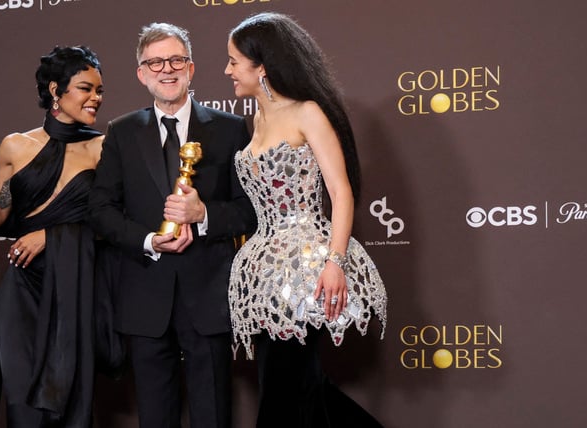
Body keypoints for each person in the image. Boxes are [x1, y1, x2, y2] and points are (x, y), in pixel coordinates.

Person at [225, 12, 389, 427]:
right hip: (264, 274)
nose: (227, 70)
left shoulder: (307, 112)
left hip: (306, 269)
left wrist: (335, 262)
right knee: (301, 388)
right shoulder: (258, 119)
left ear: (261, 67)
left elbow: (341, 192)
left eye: (233, 61)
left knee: (284, 393)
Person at [89, 22, 256, 428]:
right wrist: (147, 239)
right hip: (146, 295)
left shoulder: (230, 129)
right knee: (156, 416)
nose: (168, 69)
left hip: (208, 294)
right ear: (141, 74)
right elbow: (101, 210)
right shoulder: (122, 132)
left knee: (212, 414)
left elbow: (251, 210)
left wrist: (204, 217)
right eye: (156, 62)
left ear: (192, 68)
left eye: (176, 59)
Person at [0, 46, 121, 427]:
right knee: (21, 397)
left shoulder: (103, 150)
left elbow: (111, 224)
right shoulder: (14, 145)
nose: (96, 97)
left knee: (73, 394)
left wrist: (52, 234)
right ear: (55, 90)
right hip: (22, 287)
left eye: (99, 90)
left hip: (76, 285)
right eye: (85, 88)